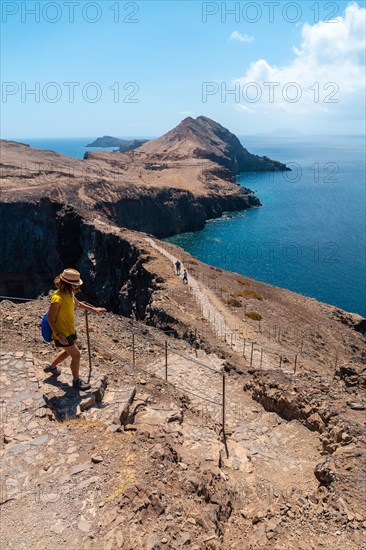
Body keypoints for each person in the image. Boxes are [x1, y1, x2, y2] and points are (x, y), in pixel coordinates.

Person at [43, 268, 106, 391]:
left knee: (68, 352)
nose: (76, 287)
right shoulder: (57, 298)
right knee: (76, 355)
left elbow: (77, 304)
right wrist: (59, 335)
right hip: (61, 333)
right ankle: (76, 381)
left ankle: (52, 367)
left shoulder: (69, 293)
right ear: (68, 284)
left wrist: (94, 309)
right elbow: (50, 319)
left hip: (70, 330)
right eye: (75, 284)